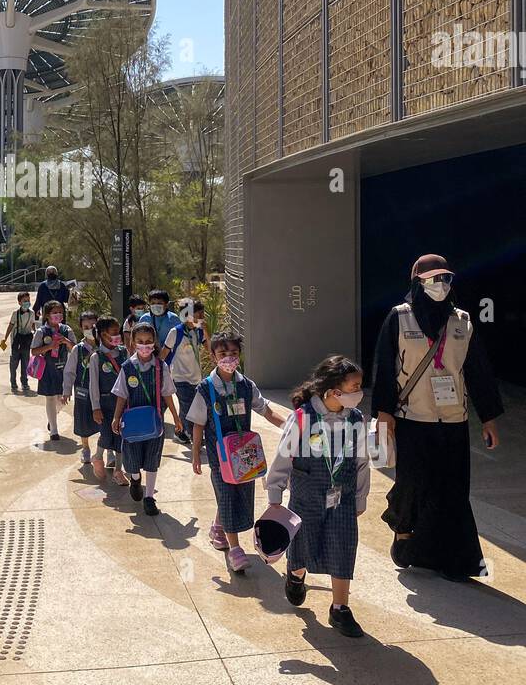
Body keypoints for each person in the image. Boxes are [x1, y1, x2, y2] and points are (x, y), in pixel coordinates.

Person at [371, 253, 502, 582]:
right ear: (418, 283)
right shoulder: (399, 318)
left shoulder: (462, 321)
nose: (441, 285)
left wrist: (488, 418)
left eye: (446, 279)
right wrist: (384, 415)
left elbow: (478, 371)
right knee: (412, 484)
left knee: (452, 490)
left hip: (453, 420)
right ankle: (403, 528)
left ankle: (454, 560)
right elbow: (384, 368)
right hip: (413, 418)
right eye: (434, 279)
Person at [264, 355, 370, 637]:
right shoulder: (303, 417)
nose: (359, 392)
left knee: (343, 545)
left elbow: (362, 461)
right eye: (354, 387)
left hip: (343, 495)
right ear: (334, 390)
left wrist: (360, 497)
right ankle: (296, 576)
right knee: (303, 544)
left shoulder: (356, 419)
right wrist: (275, 494)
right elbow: (283, 456)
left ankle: (340, 608)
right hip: (307, 494)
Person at [187, 330, 287, 571]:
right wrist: (196, 453)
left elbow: (266, 410)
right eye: (223, 353)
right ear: (213, 356)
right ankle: (235, 549)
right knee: (227, 493)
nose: (228, 358)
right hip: (219, 455)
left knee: (237, 494)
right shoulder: (205, 389)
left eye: (233, 352)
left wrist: (290, 426)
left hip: (244, 454)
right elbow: (198, 424)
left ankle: (218, 527)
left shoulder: (246, 386)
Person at [111, 323, 180, 516]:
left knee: (152, 459)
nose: (144, 345)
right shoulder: (127, 367)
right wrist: (116, 417)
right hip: (132, 423)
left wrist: (176, 417)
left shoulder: (161, 367)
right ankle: (135, 478)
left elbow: (167, 394)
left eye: (148, 341)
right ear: (133, 342)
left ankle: (149, 497)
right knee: (132, 458)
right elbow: (121, 394)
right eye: (140, 341)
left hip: (155, 423)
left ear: (154, 342)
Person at [160, 297, 207, 446]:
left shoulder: (198, 332)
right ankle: (195, 437)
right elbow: (164, 353)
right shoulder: (176, 332)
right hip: (179, 377)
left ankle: (179, 432)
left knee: (187, 406)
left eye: (202, 314)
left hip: (196, 377)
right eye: (199, 315)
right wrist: (158, 372)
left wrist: (206, 331)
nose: (202, 317)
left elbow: (210, 349)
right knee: (188, 407)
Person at [30, 299, 76, 443]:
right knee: (50, 398)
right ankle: (54, 430)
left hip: (64, 370)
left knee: (62, 399)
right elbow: (34, 351)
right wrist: (49, 347)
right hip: (47, 370)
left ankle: (52, 416)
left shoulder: (66, 330)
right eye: (55, 312)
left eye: (60, 312)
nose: (58, 315)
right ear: (47, 315)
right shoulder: (41, 332)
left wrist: (66, 341)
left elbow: (75, 349)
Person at [89, 315, 127, 483]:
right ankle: (98, 457)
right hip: (105, 404)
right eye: (114, 332)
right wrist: (95, 407)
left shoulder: (124, 353)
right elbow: (93, 385)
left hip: (122, 403)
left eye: (118, 331)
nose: (117, 335)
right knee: (106, 435)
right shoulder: (96, 357)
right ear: (103, 334)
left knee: (120, 436)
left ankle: (119, 470)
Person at [62, 310, 100, 469]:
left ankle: (108, 449)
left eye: (93, 326)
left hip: (102, 391)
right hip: (83, 391)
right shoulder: (78, 349)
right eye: (86, 327)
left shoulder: (103, 347)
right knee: (83, 420)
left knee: (105, 420)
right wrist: (66, 390)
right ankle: (85, 448)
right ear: (81, 328)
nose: (90, 329)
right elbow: (69, 371)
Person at [1, 291, 35, 393]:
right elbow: (10, 326)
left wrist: (36, 333)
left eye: (28, 300)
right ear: (19, 302)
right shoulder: (15, 314)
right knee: (14, 362)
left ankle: (24, 382)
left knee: (25, 362)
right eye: (24, 301)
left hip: (26, 341)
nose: (27, 303)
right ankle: (13, 382)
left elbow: (33, 324)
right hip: (16, 341)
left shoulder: (32, 313)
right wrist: (5, 338)